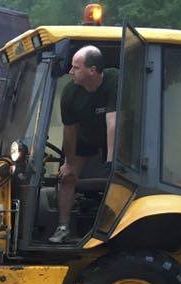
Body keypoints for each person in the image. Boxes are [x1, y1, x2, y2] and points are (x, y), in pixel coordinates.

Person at [49, 46, 118, 244]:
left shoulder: (115, 80)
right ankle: (63, 228)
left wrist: (111, 161)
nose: (70, 72)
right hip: (85, 138)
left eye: (76, 68)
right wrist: (69, 163)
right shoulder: (70, 93)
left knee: (120, 179)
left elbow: (113, 121)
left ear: (93, 71)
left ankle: (112, 229)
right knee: (67, 178)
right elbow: (69, 131)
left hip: (116, 137)